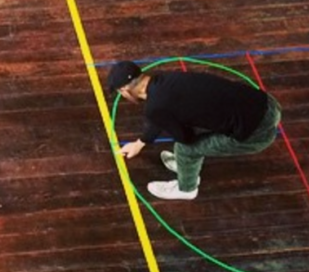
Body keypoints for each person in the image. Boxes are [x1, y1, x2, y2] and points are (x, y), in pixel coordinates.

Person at [107, 60, 282, 201]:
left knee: (186, 150)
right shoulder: (165, 79)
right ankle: (186, 167)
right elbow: (161, 113)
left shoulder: (155, 107)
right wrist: (141, 142)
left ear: (124, 90)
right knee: (186, 147)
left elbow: (186, 138)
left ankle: (187, 188)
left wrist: (180, 125)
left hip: (255, 133)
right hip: (267, 103)